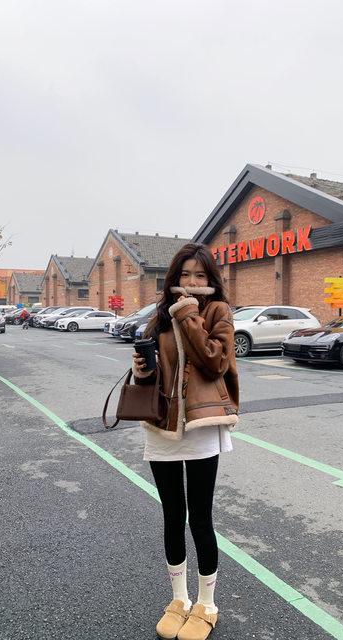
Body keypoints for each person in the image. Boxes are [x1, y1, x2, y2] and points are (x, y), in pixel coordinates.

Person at [132, 243, 239, 640]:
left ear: (211, 279)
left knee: (200, 519)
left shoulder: (217, 312)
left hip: (200, 425)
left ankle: (206, 604)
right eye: (185, 275)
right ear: (174, 277)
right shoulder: (159, 315)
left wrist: (188, 313)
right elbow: (155, 372)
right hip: (162, 424)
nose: (191, 282)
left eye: (200, 275)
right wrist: (142, 369)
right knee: (173, 517)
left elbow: (215, 361)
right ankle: (178, 599)